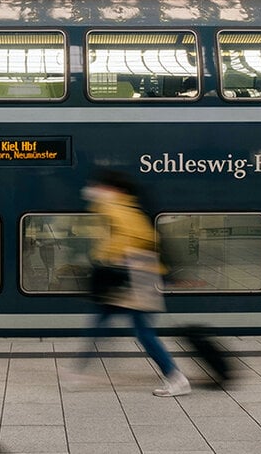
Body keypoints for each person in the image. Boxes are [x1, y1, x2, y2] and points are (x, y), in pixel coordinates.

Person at [75, 169, 190, 397]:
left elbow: (138, 238)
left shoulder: (117, 208)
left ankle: (176, 378)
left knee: (143, 332)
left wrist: (108, 258)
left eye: (101, 186)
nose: (95, 190)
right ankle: (79, 372)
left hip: (139, 275)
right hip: (135, 273)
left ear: (114, 190)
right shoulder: (124, 207)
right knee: (102, 319)